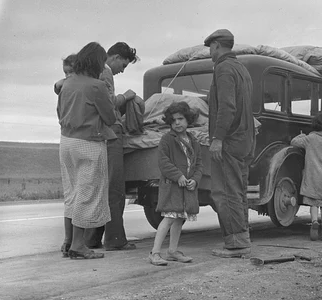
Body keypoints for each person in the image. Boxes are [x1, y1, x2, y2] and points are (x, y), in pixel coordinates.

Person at [57, 42, 116, 259]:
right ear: (97, 63)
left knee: (71, 192)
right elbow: (110, 117)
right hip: (89, 143)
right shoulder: (96, 86)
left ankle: (67, 241)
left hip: (66, 142)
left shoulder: (67, 83)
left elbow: (59, 112)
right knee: (87, 192)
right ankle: (79, 246)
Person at [84, 42, 142, 251]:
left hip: (93, 134)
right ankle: (115, 239)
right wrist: (126, 97)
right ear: (115, 57)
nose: (122, 70)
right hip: (111, 133)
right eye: (124, 65)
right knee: (115, 188)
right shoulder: (106, 72)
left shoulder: (89, 72)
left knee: (100, 187)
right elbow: (108, 103)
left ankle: (92, 238)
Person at [204, 29, 255, 258]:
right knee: (238, 190)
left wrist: (218, 138)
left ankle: (235, 244)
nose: (210, 53)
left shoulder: (223, 68)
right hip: (245, 140)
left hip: (230, 142)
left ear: (216, 45)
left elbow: (227, 107)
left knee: (225, 191)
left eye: (210, 48)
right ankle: (242, 238)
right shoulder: (241, 68)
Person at [149, 102, 203, 266]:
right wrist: (178, 176)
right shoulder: (167, 140)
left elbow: (199, 164)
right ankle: (155, 252)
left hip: (187, 187)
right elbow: (164, 163)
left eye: (181, 119)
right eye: (173, 121)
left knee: (180, 218)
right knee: (169, 218)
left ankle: (172, 251)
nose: (177, 123)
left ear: (188, 120)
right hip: (172, 186)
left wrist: (195, 179)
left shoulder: (193, 140)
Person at [291, 111, 322, 241]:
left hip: (312, 176)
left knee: (313, 203)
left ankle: (314, 221)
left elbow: (294, 142)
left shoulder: (310, 139)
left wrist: (302, 135)